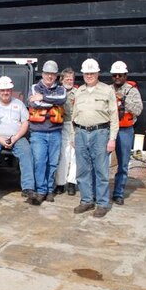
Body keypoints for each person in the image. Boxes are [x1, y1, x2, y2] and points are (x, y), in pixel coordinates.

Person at [69, 58, 118, 218]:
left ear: (97, 73)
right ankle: (86, 200)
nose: (89, 76)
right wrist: (73, 136)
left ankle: (102, 203)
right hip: (81, 133)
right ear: (83, 74)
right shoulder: (79, 91)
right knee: (83, 170)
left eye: (92, 73)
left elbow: (114, 116)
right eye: (86, 73)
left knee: (101, 170)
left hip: (100, 134)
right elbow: (73, 116)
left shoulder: (107, 90)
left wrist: (112, 139)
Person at [0, 76, 37, 204]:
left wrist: (15, 138)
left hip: (17, 137)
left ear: (11, 90)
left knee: (27, 152)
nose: (5, 92)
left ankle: (28, 188)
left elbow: (25, 123)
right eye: (2, 90)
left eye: (8, 90)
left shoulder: (19, 104)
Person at [27, 60, 68, 203]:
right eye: (47, 74)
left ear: (56, 76)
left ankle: (50, 190)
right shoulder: (34, 87)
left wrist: (43, 97)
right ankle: (41, 190)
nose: (49, 76)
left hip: (55, 132)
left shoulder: (61, 89)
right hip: (38, 133)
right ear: (42, 74)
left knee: (53, 162)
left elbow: (62, 99)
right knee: (39, 161)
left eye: (52, 74)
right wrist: (52, 102)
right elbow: (34, 103)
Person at [109, 60, 142, 206]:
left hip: (125, 130)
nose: (117, 77)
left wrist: (124, 101)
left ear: (125, 75)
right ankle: (100, 191)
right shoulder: (107, 89)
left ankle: (118, 193)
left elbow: (138, 110)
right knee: (101, 162)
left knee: (122, 164)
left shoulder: (132, 91)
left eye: (120, 75)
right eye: (114, 75)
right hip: (108, 129)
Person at [53, 68, 78, 196]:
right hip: (60, 125)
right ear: (61, 80)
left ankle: (72, 183)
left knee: (74, 155)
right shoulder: (56, 91)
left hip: (74, 124)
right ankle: (60, 183)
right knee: (62, 154)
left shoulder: (78, 93)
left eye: (71, 79)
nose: (69, 81)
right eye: (67, 78)